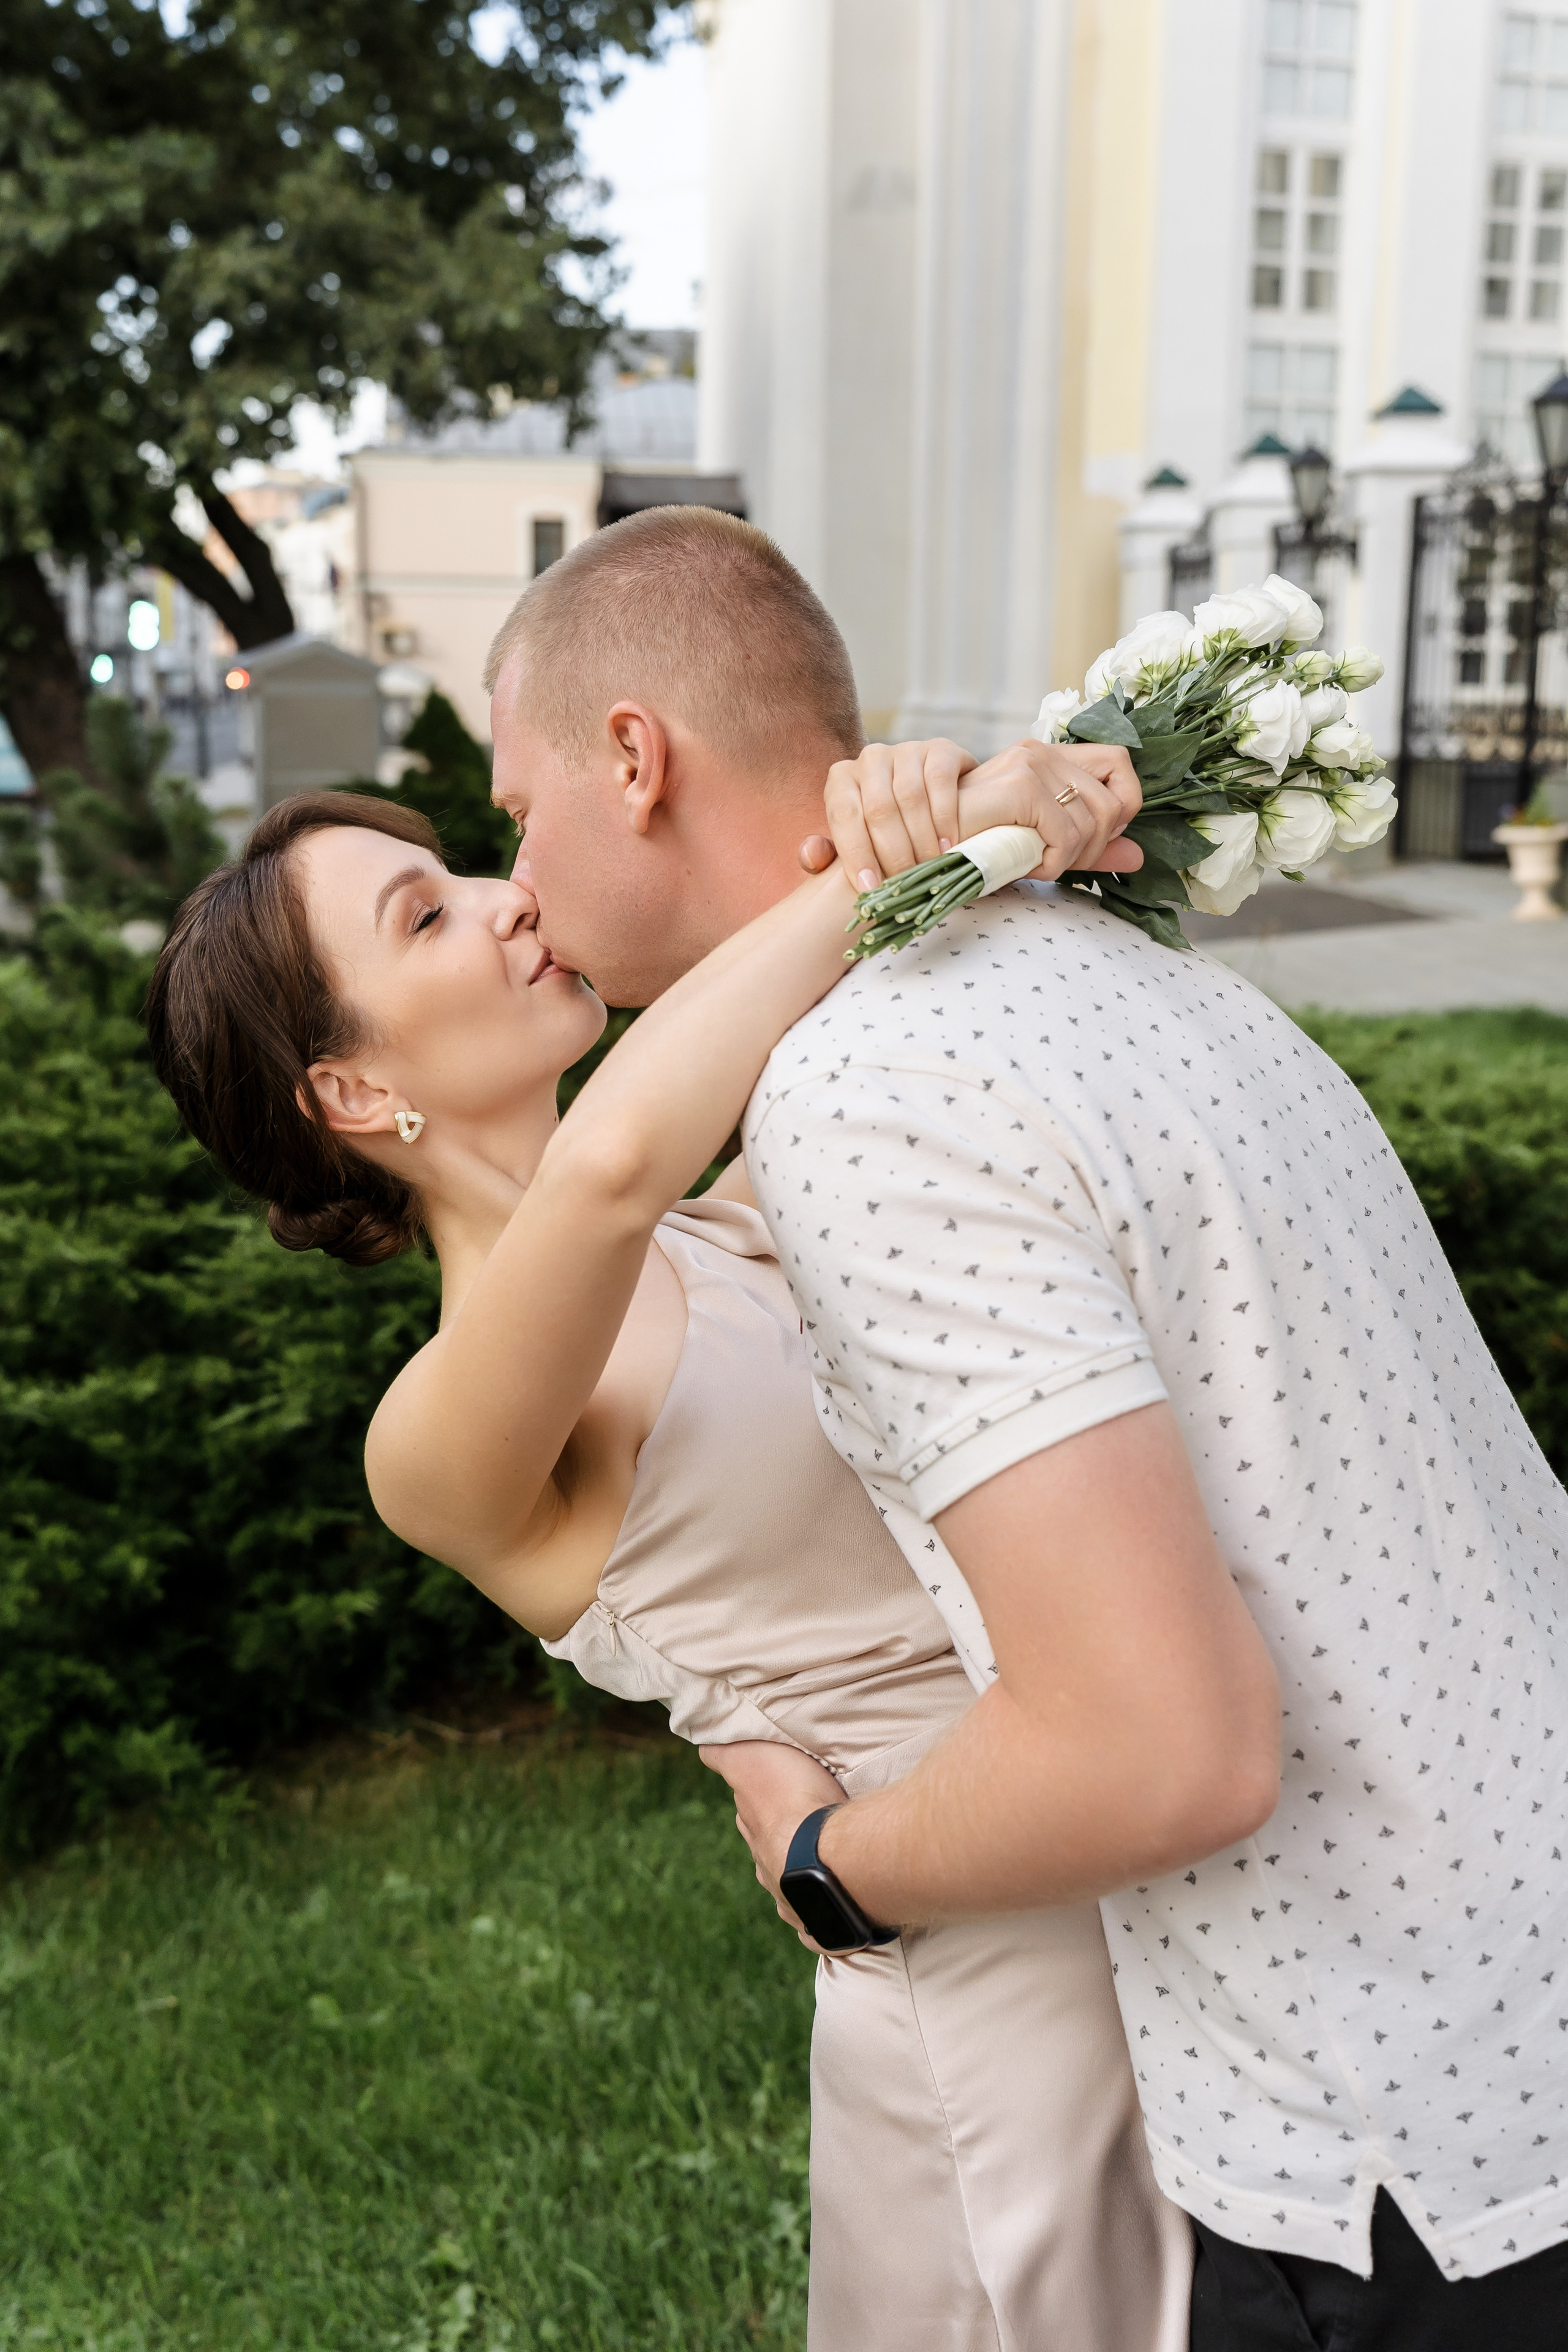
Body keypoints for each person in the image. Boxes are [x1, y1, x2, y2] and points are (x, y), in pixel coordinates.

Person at [484, 503, 1568, 2351]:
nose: (514, 881)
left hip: (1410, 2149)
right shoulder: (1118, 969)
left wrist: (835, 1864)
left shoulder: (863, 1092)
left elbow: (1164, 1753)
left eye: (513, 811)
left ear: (634, 762)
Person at [143, 752, 1193, 2349]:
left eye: (473, 870)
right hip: (992, 2008)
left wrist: (966, 803)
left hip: (1157, 1868)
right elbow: (613, 1163)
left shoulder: (731, 1217)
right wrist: (940, 855)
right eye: (429, 918)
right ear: (353, 1094)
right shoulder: (439, 1445)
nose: (513, 903)